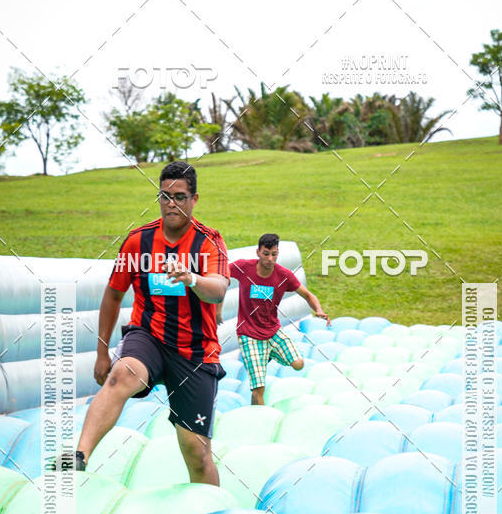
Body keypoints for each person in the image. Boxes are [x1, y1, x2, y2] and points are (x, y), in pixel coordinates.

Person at [56, 161, 230, 485]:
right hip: (148, 336)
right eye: (165, 196)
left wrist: (192, 278)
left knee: (196, 452)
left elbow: (218, 288)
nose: (171, 204)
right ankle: (77, 456)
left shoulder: (209, 242)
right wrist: (102, 353)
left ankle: (212, 512)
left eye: (179, 196)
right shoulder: (139, 241)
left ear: (194, 199)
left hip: (195, 351)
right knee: (121, 374)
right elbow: (112, 296)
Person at [216, 232, 329, 405]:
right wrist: (218, 309)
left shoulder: (283, 275)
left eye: (274, 254)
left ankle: (267, 355)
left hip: (273, 331)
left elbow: (308, 295)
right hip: (249, 335)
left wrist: (319, 310)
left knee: (298, 363)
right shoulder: (244, 267)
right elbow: (221, 277)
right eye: (266, 254)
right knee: (258, 390)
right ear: (258, 252)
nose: (270, 258)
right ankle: (259, 418)